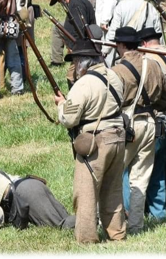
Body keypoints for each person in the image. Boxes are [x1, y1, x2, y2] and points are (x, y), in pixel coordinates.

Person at [53, 39, 126, 243]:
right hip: (118, 137)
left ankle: (86, 238)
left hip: (96, 141)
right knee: (113, 190)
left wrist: (61, 104)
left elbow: (68, 119)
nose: (74, 66)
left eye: (75, 61)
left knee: (85, 193)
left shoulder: (84, 83)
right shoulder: (114, 76)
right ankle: (117, 233)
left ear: (82, 62)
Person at [110, 27, 166, 234]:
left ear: (120, 45)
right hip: (151, 124)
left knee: (113, 175)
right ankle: (136, 225)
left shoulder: (117, 70)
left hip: (127, 125)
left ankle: (113, 222)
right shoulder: (153, 65)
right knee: (141, 179)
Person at [48, 0, 96, 88]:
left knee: (75, 79)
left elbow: (79, 28)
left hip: (82, 49)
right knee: (72, 77)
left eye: (59, 0)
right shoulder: (76, 0)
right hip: (81, 48)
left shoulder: (75, 3)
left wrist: (73, 47)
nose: (60, 2)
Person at [103, 0, 162, 67]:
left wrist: (105, 50)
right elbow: (157, 32)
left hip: (126, 51)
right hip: (145, 52)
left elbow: (113, 31)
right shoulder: (150, 7)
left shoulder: (121, 6)